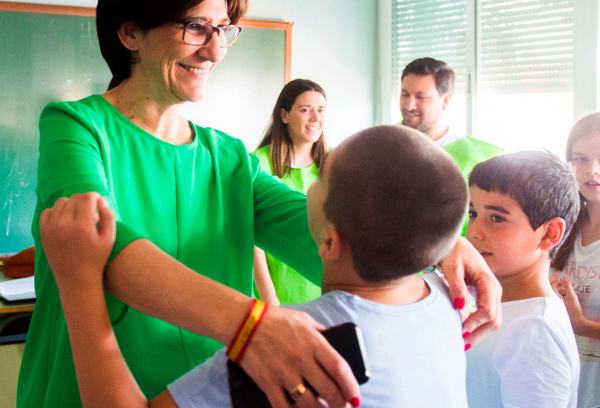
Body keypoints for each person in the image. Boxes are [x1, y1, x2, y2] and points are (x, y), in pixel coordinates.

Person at [17, 0, 502, 406]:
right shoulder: (76, 126)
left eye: (225, 30)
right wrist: (251, 325)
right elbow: (97, 248)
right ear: (130, 33)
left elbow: (335, 228)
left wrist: (432, 245)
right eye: (196, 27)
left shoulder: (226, 156)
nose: (214, 49)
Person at [40, 125, 471, 408]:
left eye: (320, 179)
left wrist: (79, 284)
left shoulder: (288, 343)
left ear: (330, 240)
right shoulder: (447, 301)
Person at [465, 151, 580, 407]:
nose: (473, 231)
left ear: (549, 233)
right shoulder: (502, 305)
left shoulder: (534, 328)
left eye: (497, 218)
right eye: (473, 213)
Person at [252, 79, 328, 305]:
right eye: (306, 110)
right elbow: (251, 240)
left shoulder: (338, 162)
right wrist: (269, 297)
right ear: (284, 115)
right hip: (277, 292)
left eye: (321, 110)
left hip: (328, 290)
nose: (315, 118)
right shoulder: (258, 163)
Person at [551, 112, 600, 408]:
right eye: (580, 159)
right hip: (562, 382)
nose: (592, 170)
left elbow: (575, 321)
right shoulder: (561, 226)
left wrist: (581, 324)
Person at [398, 57, 503, 181]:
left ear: (446, 100)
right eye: (405, 95)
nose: (410, 106)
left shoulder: (476, 161)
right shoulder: (382, 143)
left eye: (421, 97)